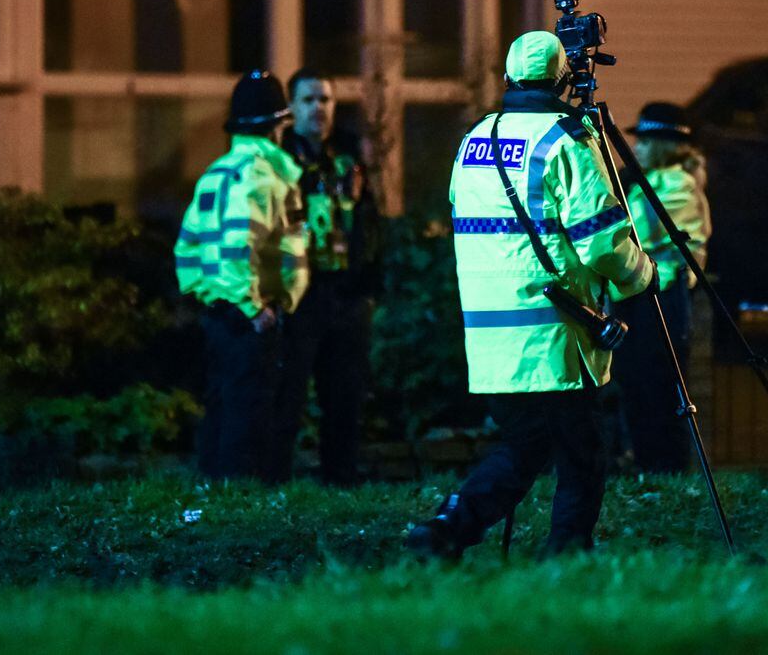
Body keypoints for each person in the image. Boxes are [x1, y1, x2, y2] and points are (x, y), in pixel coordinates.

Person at [406, 31, 657, 559]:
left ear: (507, 79)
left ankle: (447, 528)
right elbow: (604, 242)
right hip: (554, 334)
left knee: (523, 445)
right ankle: (565, 555)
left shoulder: (476, 137)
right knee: (582, 453)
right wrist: (641, 276)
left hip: (492, 339)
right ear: (564, 81)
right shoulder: (566, 140)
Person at [175, 70, 310, 480]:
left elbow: (188, 248)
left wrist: (213, 296)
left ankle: (216, 498)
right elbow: (240, 246)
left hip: (219, 313)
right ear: (276, 125)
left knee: (222, 408)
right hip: (249, 315)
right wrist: (254, 308)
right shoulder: (261, 175)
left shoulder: (217, 172)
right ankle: (241, 507)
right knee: (249, 416)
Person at [268, 68, 381, 485]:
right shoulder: (280, 160)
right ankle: (274, 480)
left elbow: (368, 220)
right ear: (292, 109)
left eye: (326, 100)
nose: (319, 108)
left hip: (345, 292)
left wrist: (367, 280)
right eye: (309, 100)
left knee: (346, 393)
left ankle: (341, 478)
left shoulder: (348, 156)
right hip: (301, 292)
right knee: (289, 392)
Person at [611, 102, 712, 472]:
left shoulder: (677, 184)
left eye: (644, 141)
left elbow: (638, 231)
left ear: (662, 145)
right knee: (637, 384)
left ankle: (665, 467)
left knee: (659, 387)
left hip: (662, 297)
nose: (635, 147)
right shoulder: (650, 180)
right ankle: (646, 462)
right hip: (641, 295)